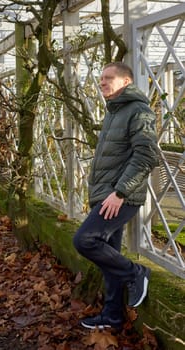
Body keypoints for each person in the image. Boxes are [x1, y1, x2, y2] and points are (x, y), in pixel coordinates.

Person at [73, 62, 159, 331]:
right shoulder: (115, 111)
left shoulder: (139, 111)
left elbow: (146, 155)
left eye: (108, 78)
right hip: (107, 194)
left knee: (84, 240)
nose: (102, 82)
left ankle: (136, 273)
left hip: (122, 196)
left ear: (126, 81)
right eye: (100, 79)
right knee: (108, 254)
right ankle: (112, 314)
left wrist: (119, 193)